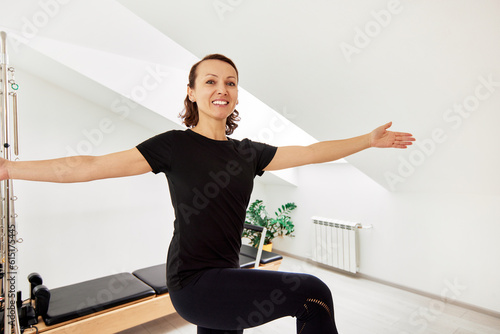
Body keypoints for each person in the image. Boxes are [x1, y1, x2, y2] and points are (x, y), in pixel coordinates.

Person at [0, 54, 414, 333]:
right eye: (211, 80)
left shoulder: (249, 152)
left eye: (231, 82)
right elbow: (84, 167)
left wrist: (367, 140)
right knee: (312, 293)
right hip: (192, 282)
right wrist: (7, 169)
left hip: (229, 274)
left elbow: (309, 151)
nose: (223, 88)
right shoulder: (172, 146)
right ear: (192, 92)